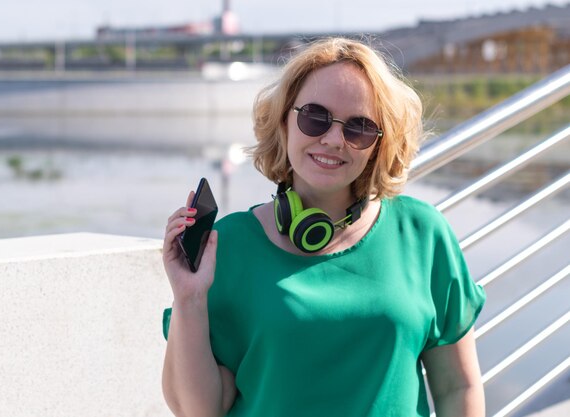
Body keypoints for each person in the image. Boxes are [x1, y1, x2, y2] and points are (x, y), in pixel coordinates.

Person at [161, 37, 486, 417]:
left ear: (379, 145)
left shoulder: (422, 233)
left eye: (359, 128)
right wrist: (189, 298)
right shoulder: (228, 245)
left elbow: (457, 387)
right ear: (285, 122)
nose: (333, 140)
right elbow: (197, 410)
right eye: (314, 117)